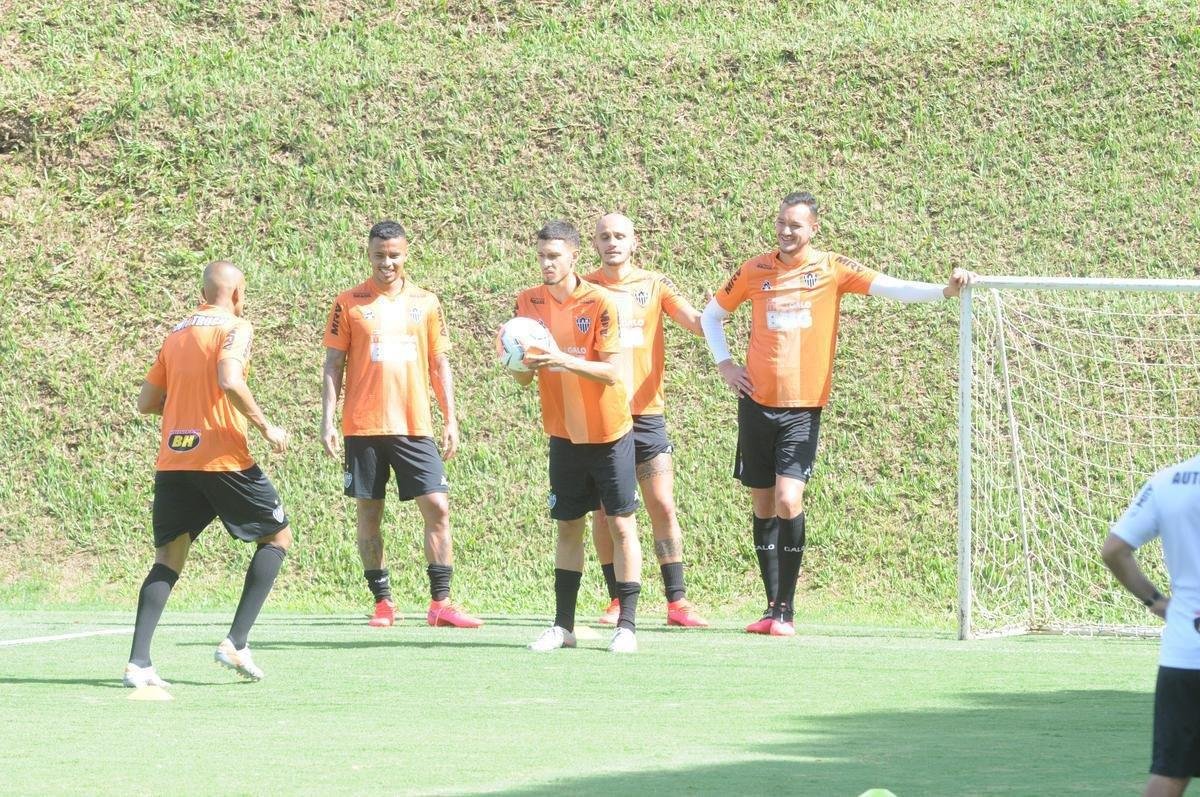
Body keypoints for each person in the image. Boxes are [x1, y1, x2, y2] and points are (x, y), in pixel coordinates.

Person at [700, 191, 974, 636]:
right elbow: (712, 316)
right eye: (782, 223)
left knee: (789, 500)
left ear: (813, 229)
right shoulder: (755, 270)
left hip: (802, 408)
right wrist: (725, 364)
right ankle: (770, 607)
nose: (787, 232)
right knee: (763, 502)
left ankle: (787, 611)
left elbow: (890, 286)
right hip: (755, 405)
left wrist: (944, 291)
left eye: (796, 225)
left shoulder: (832, 268)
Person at [124, 260, 293, 687]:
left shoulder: (176, 333)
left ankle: (138, 664)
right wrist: (265, 426)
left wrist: (186, 413)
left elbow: (147, 401)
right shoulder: (236, 326)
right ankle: (236, 642)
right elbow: (230, 380)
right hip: (222, 458)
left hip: (174, 460)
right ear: (237, 293)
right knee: (277, 537)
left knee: (168, 558)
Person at [321, 219, 481, 629]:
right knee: (369, 512)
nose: (386, 262)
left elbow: (439, 363)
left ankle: (440, 602)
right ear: (368, 254)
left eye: (394, 255)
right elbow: (333, 364)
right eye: (379, 255)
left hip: (415, 425)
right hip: (363, 425)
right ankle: (383, 602)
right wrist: (327, 420)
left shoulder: (426, 302)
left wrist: (451, 418)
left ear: (405, 254)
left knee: (437, 507)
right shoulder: (349, 302)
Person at [508, 219, 643, 653]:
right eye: (542, 256)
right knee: (568, 527)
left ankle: (627, 626)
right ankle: (562, 626)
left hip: (608, 433)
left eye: (554, 256)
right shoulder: (527, 302)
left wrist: (560, 359)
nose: (546, 264)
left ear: (573, 257)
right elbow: (525, 381)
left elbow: (610, 371)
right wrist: (520, 364)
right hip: (563, 434)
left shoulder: (599, 301)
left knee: (621, 524)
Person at [583, 212, 709, 628]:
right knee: (605, 512)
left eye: (620, 235)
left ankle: (678, 601)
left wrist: (719, 313)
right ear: (595, 244)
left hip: (647, 414)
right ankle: (616, 598)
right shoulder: (584, 288)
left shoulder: (654, 284)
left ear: (634, 242)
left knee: (662, 504)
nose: (612, 242)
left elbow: (695, 323)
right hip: (602, 414)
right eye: (605, 236)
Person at [1103, 456, 1200, 797]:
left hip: (1184, 653)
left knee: (1170, 772)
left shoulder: (1167, 481)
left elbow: (1114, 550)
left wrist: (1154, 601)